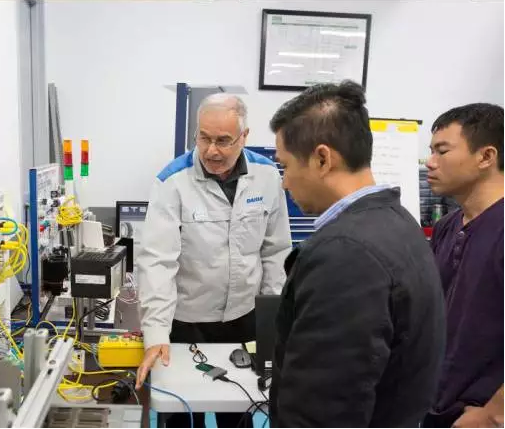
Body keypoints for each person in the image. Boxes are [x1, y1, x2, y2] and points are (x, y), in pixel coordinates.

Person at [268, 80, 446, 427]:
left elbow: (323, 412)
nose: (285, 182)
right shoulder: (398, 221)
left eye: (285, 166)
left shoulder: (345, 254)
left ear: (322, 159)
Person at [135, 93, 291, 427]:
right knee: (179, 412)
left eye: (223, 140)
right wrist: (156, 333)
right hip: (186, 321)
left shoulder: (267, 176)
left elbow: (276, 251)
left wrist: (272, 320)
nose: (211, 151)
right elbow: (157, 263)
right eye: (204, 138)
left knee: (239, 409)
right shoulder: (172, 182)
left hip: (244, 318)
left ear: (244, 137)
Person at [424, 103, 504, 428]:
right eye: (431, 151)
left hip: (479, 414)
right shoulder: (448, 225)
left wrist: (493, 414)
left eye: (442, 151)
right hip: (437, 406)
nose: (430, 162)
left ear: (486, 156)